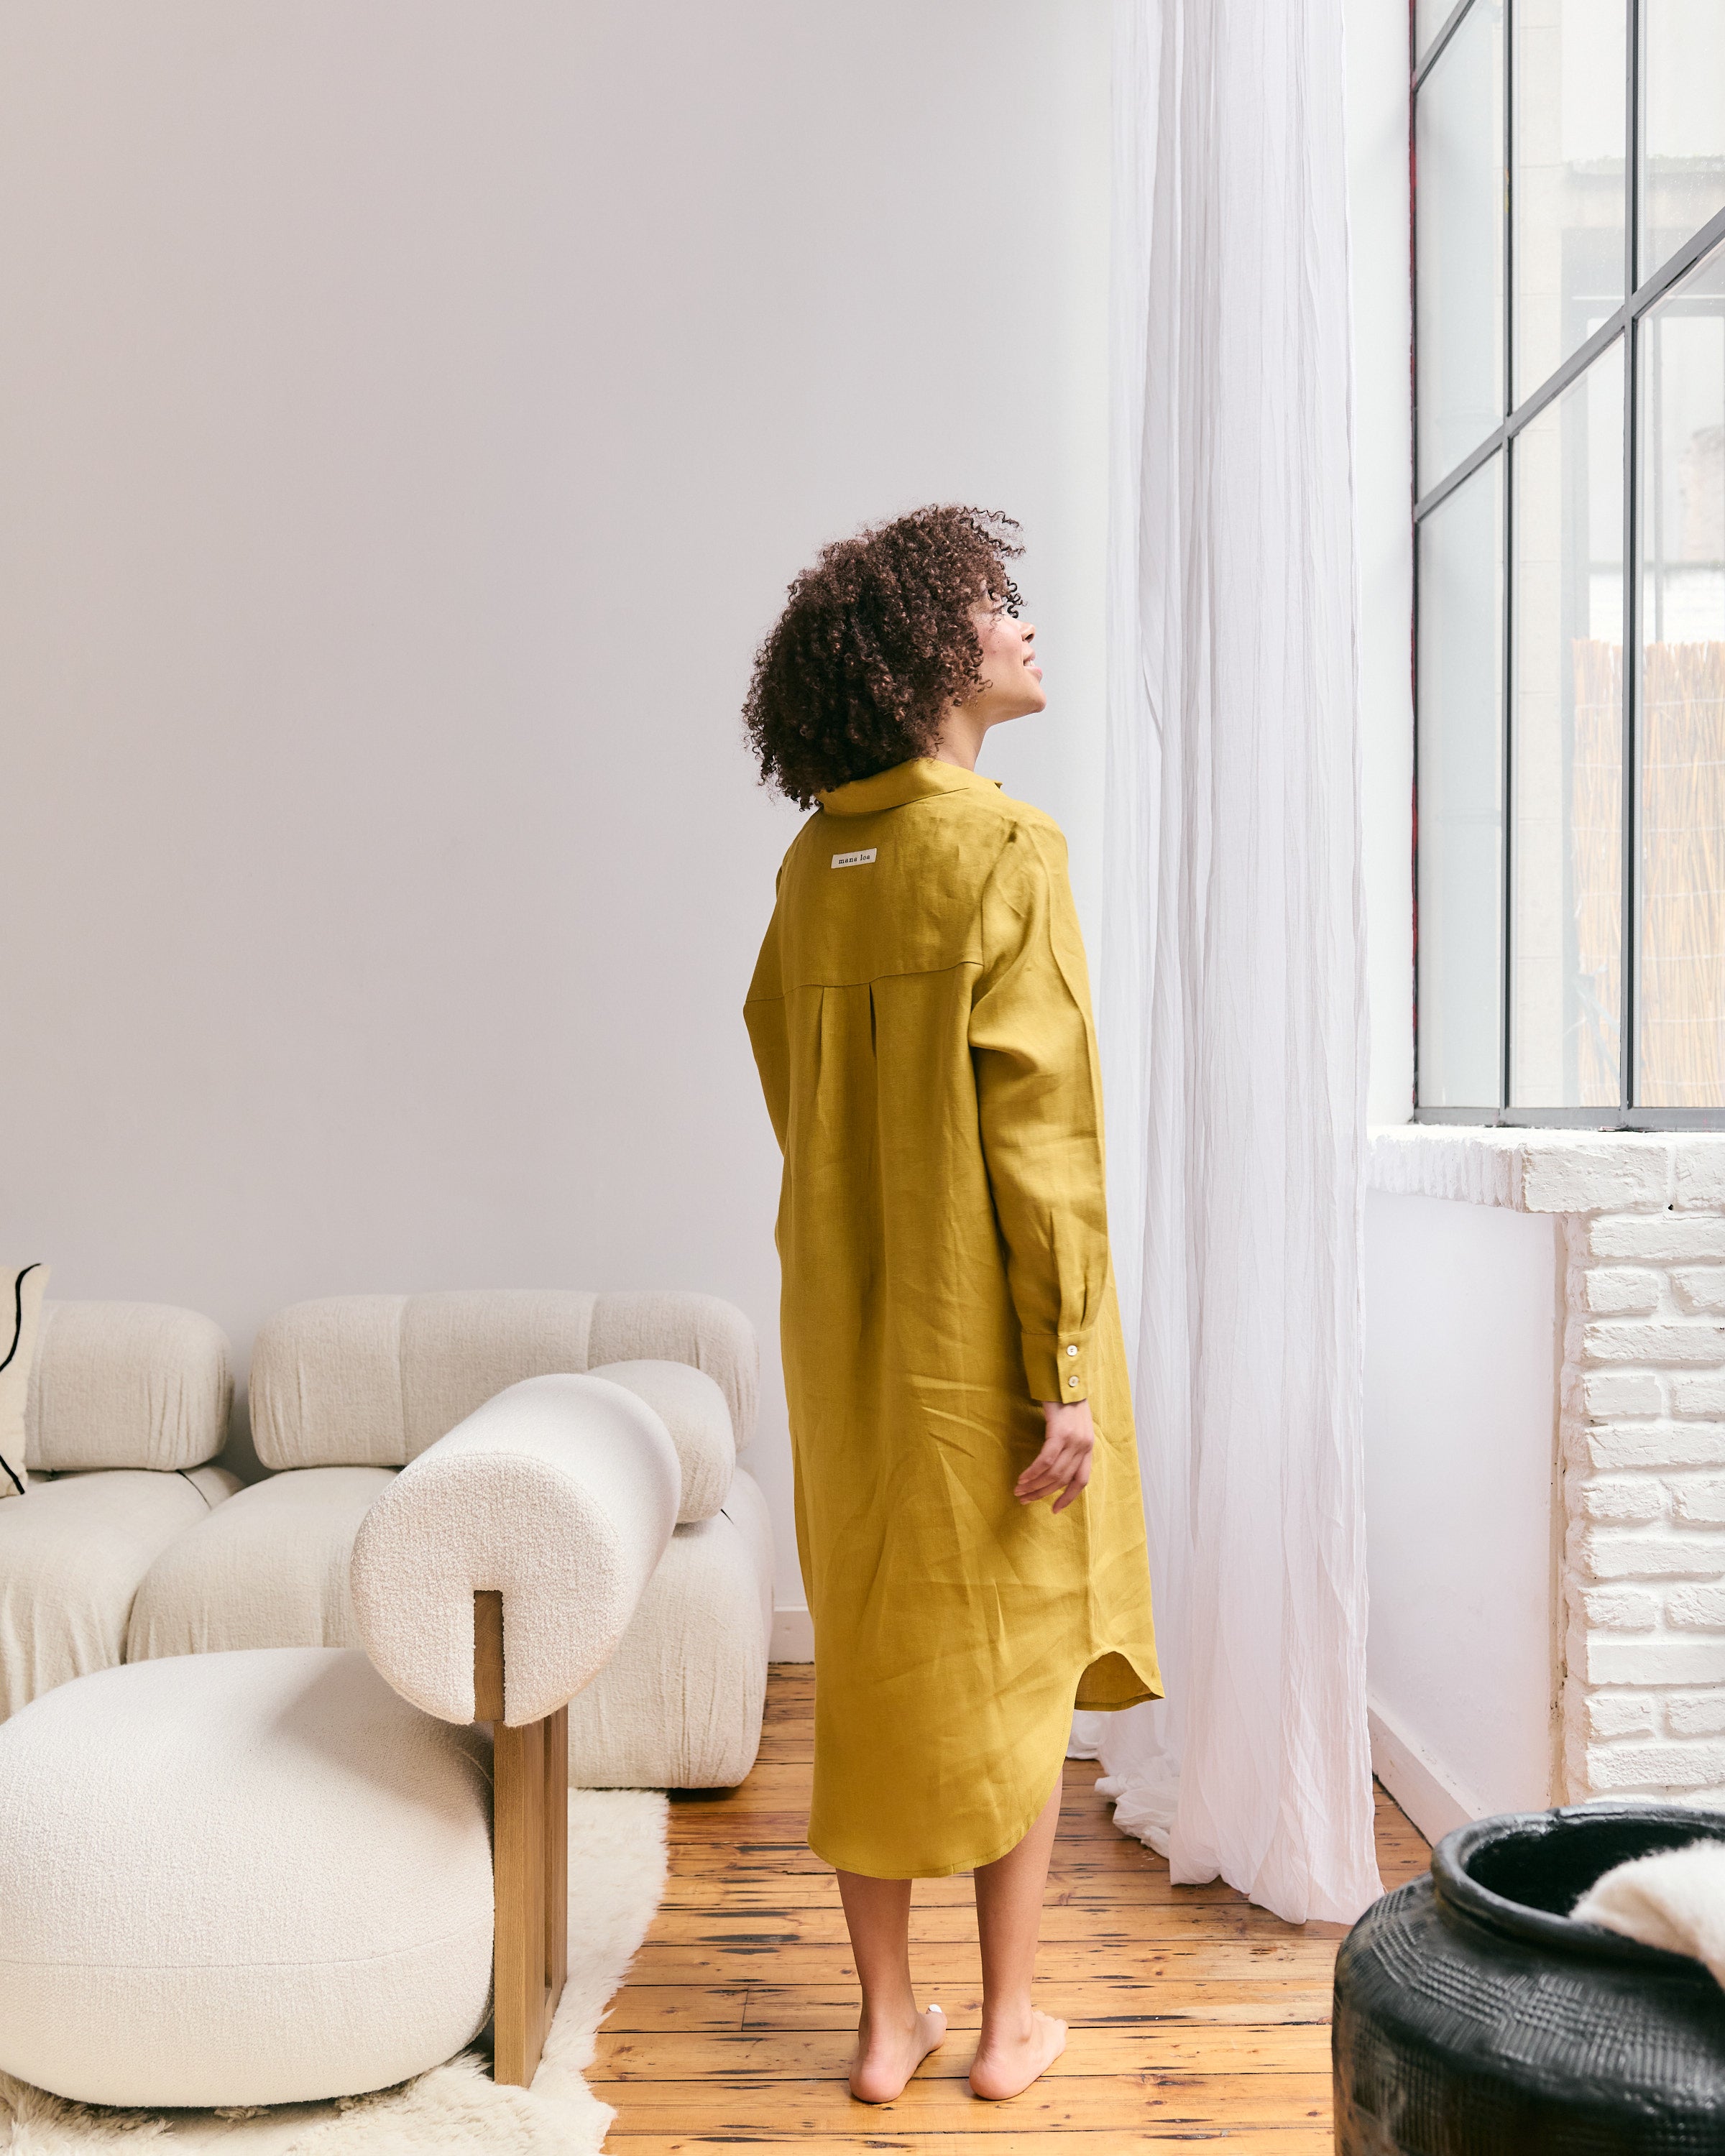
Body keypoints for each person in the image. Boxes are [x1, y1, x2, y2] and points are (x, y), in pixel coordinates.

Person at [741, 505, 1159, 2105]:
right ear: (932, 654)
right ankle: (1002, 2031)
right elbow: (1042, 1137)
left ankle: (878, 2023)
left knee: (876, 1656)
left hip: (847, 1338)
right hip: (984, 1341)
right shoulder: (1000, 846)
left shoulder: (814, 862)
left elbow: (788, 1073)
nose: (1023, 626)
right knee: (1013, 1660)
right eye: (996, 606)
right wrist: (1064, 1367)